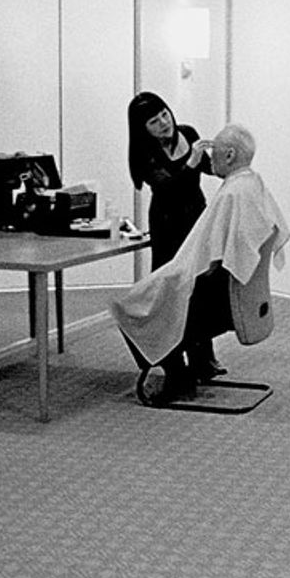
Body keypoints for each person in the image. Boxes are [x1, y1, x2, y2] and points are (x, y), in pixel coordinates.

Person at [110, 124, 290, 405]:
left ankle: (176, 376)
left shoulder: (233, 193)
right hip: (225, 290)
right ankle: (184, 368)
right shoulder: (250, 184)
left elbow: (215, 261)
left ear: (229, 156)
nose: (210, 158)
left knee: (131, 303)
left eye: (213, 152)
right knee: (158, 287)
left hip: (212, 297)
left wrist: (180, 277)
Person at [126, 90, 218, 372]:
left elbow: (209, 168)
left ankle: (203, 357)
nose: (164, 123)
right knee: (171, 292)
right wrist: (191, 161)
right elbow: (170, 189)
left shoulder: (187, 133)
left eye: (164, 114)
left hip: (196, 219)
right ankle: (174, 363)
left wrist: (227, 156)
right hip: (168, 224)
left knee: (201, 286)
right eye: (154, 121)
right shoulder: (145, 153)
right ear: (143, 130)